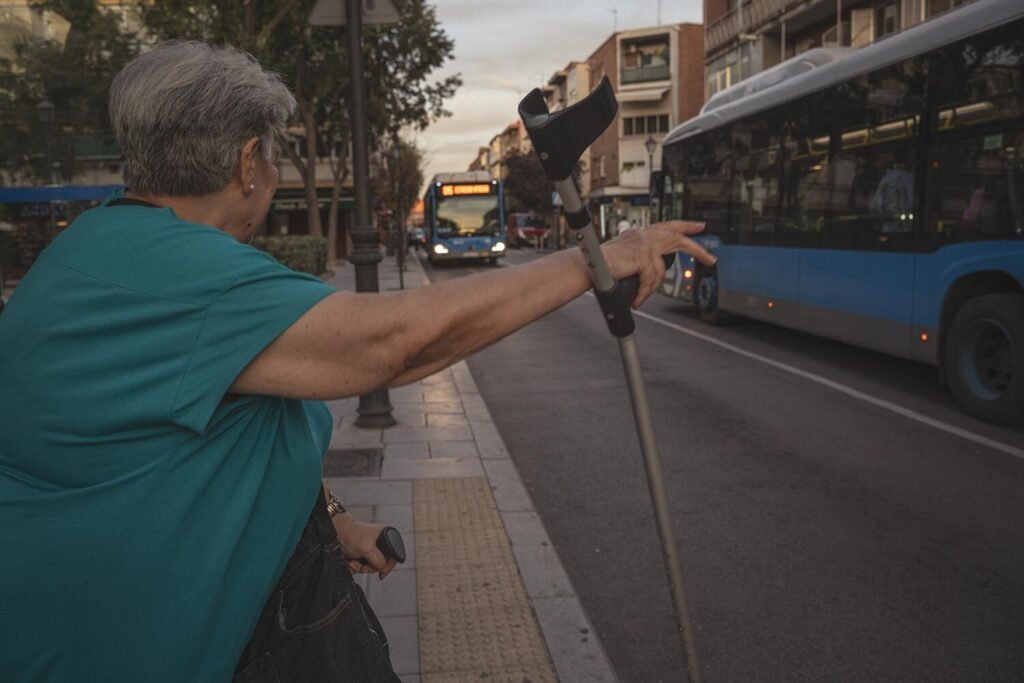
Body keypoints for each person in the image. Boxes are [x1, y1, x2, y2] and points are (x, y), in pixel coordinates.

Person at [0, 42, 714, 682]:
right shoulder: (178, 274)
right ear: (247, 163)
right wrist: (594, 260)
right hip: (163, 645)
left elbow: (205, 437)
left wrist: (331, 523)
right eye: (271, 158)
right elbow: (392, 343)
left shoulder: (102, 246)